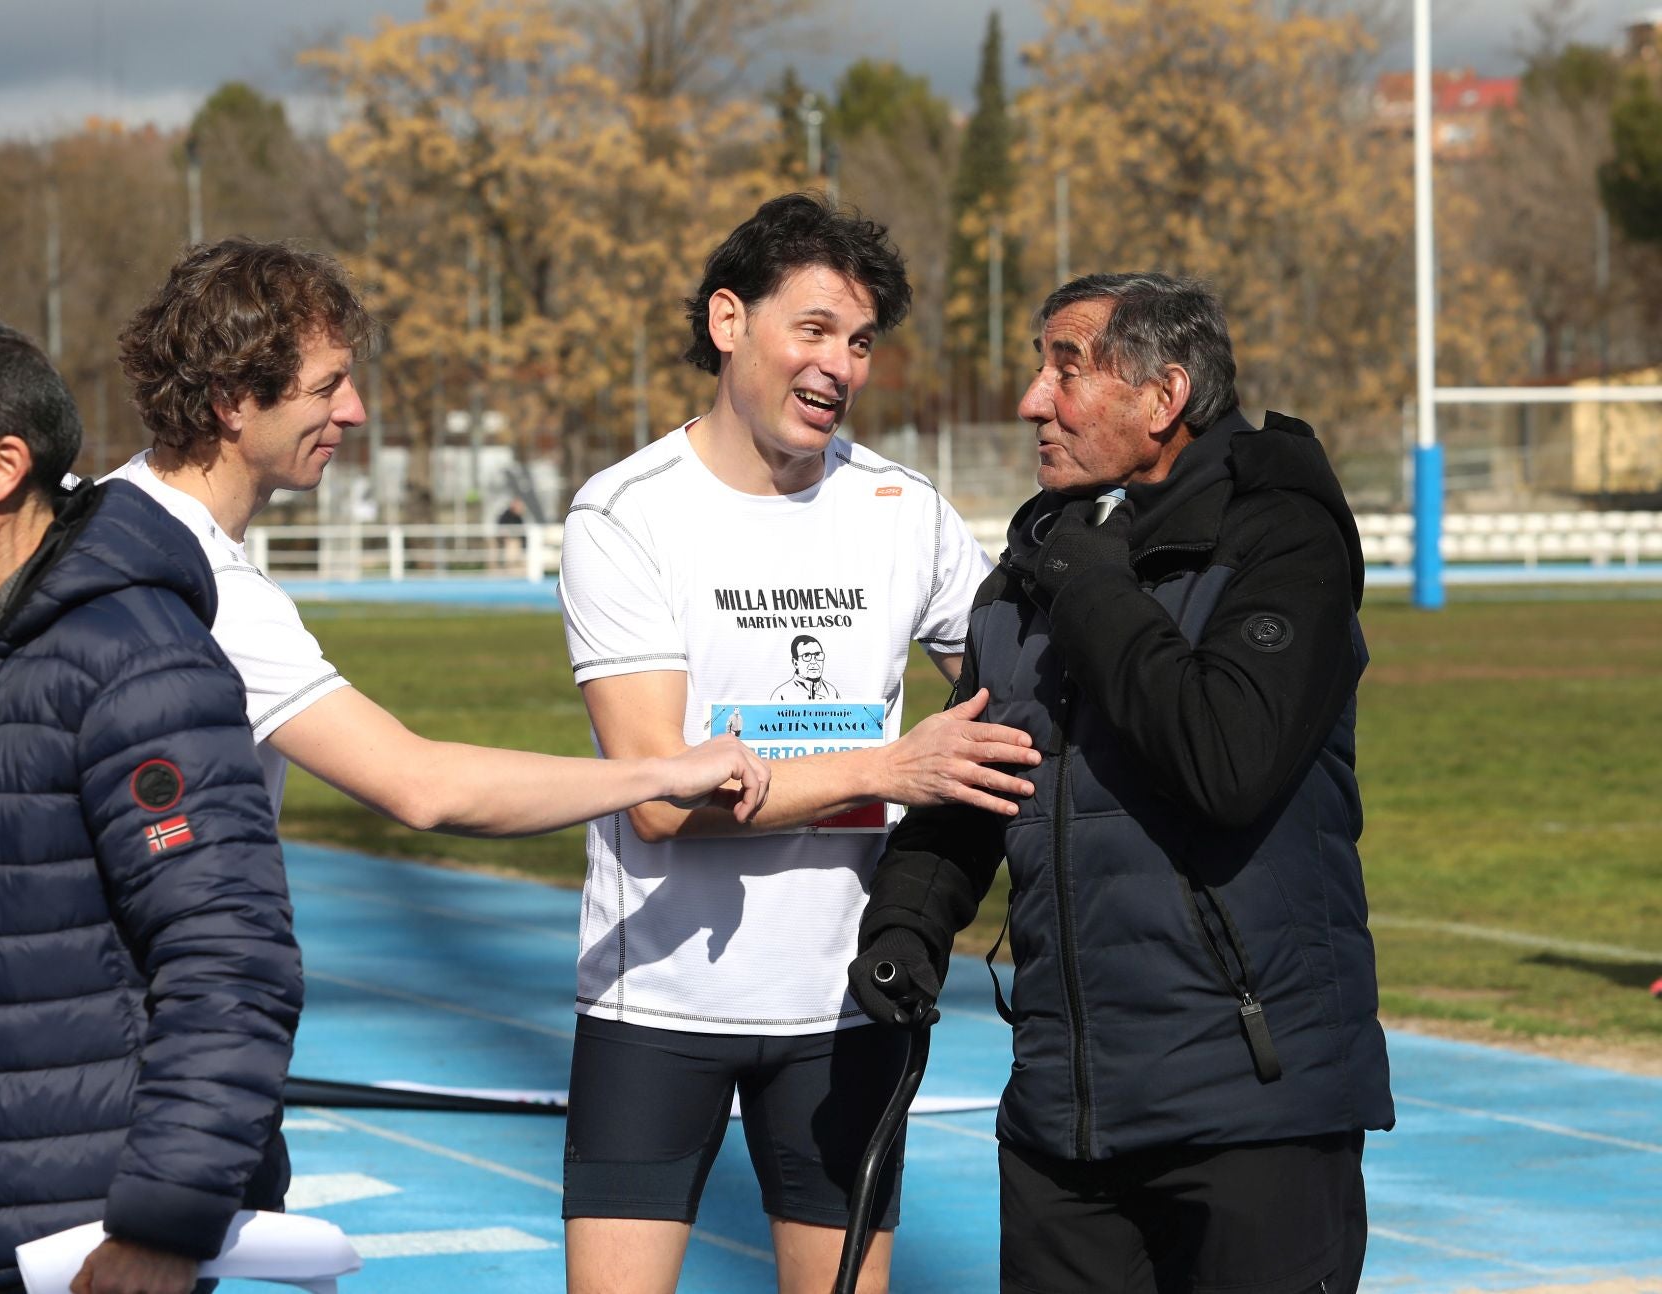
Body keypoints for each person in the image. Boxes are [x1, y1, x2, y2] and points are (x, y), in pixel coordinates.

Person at [850, 272, 1393, 1294]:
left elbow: (1225, 759)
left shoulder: (1282, 542)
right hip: (1063, 1119)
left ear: (1164, 397)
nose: (1031, 400)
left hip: (1253, 1112)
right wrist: (907, 920)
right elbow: (981, 767)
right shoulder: (1037, 567)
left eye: (1066, 367)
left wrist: (1094, 584)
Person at [553, 192, 1042, 1294]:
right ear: (729, 322)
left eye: (862, 342)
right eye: (814, 329)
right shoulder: (625, 516)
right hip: (658, 1006)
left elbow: (1017, 696)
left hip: (847, 1002)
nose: (842, 365)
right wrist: (886, 768)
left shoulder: (901, 509)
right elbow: (658, 797)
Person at [0, 314, 303, 1294]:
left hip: (88, 1242)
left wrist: (161, 1224)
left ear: (0, 468)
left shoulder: (131, 655)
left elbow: (228, 956)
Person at [108, 237, 767, 836]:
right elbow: (422, 786)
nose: (355, 411)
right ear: (231, 401)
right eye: (327, 386)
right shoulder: (208, 589)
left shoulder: (103, 511)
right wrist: (662, 774)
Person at [769, 634, 837, 700]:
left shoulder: (832, 692)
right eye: (806, 656)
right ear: (795, 663)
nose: (814, 661)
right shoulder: (781, 695)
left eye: (817, 654)